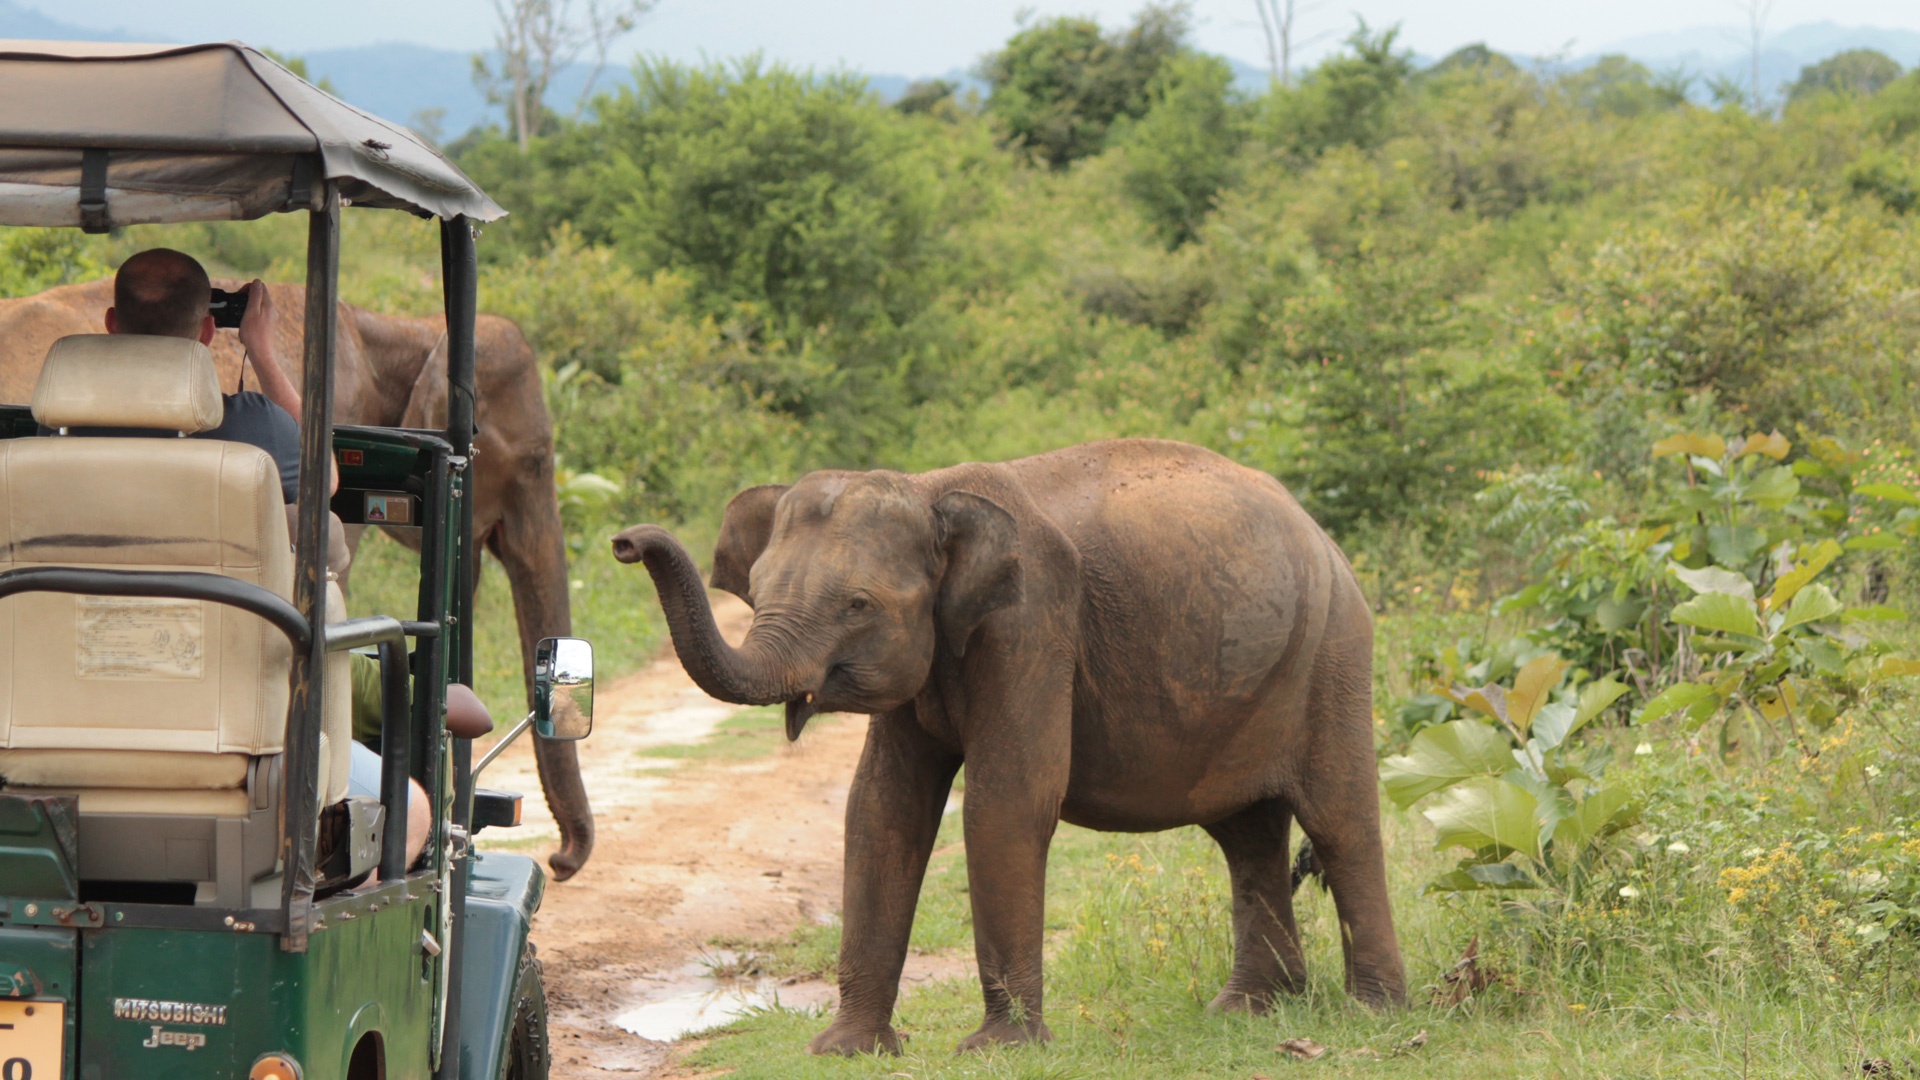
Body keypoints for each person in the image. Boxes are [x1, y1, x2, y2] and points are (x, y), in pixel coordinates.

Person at [59, 248, 425, 871]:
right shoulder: (256, 428)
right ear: (207, 331)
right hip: (233, 750)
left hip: (57, 740)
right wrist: (262, 350)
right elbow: (326, 476)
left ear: (111, 326)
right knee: (413, 809)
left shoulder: (46, 451)